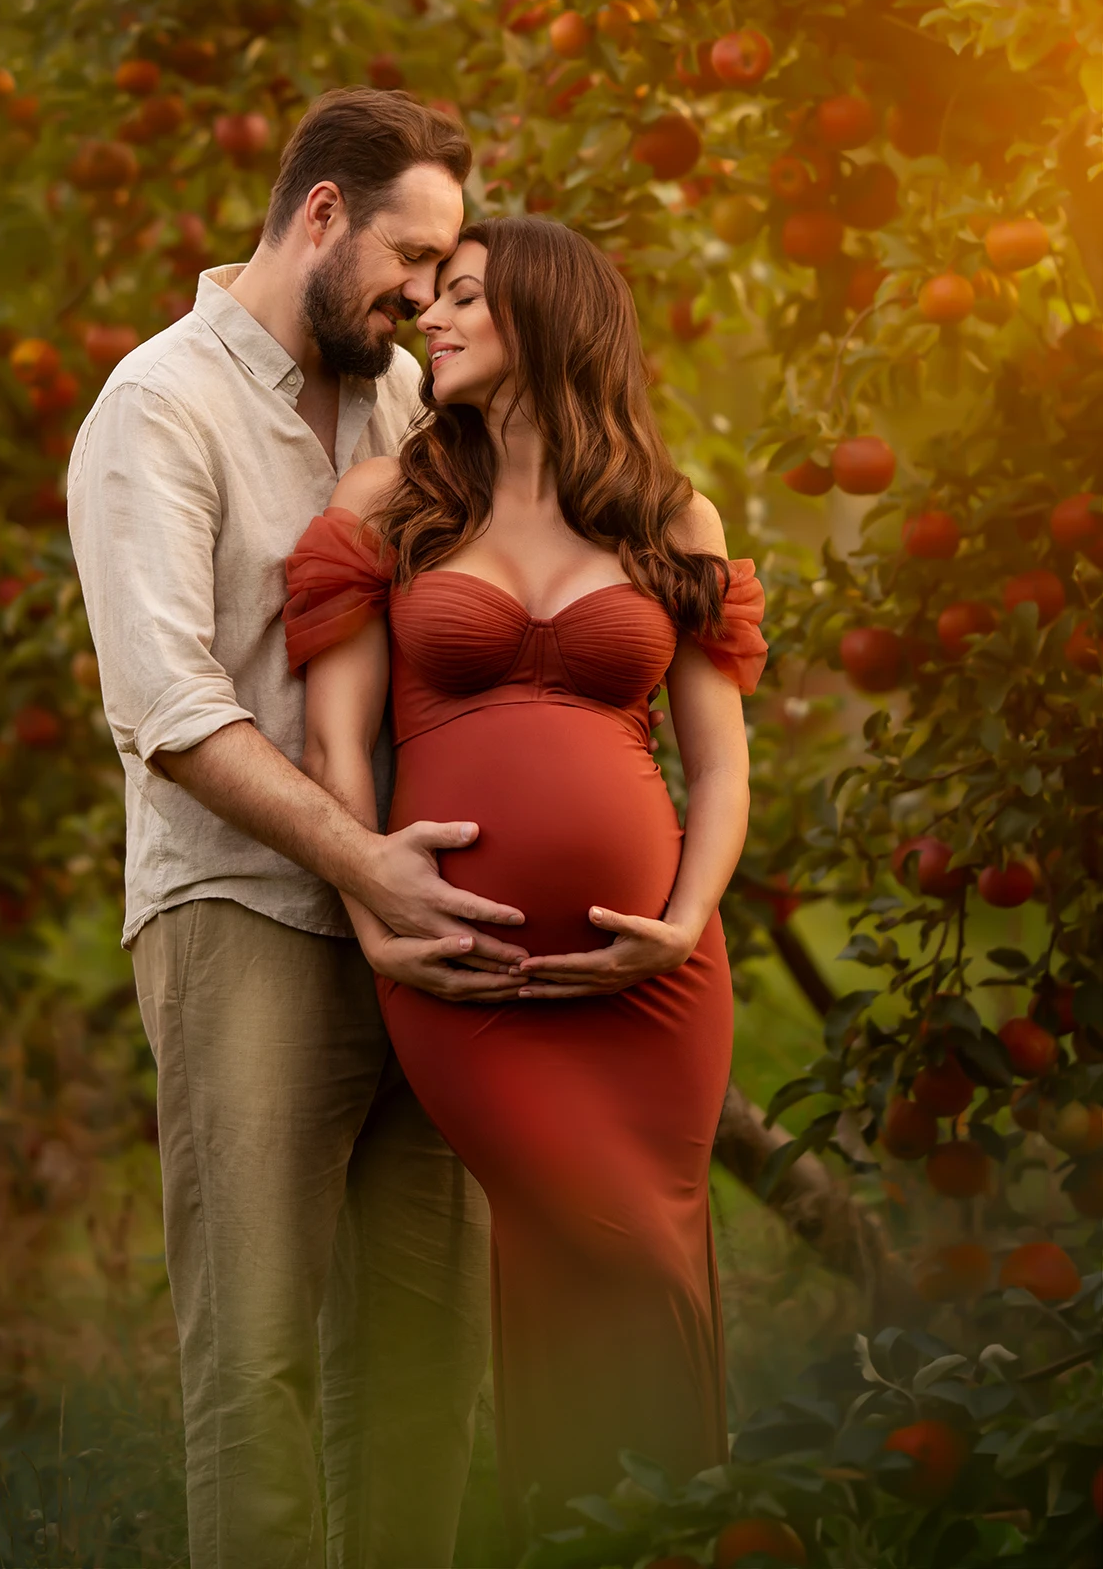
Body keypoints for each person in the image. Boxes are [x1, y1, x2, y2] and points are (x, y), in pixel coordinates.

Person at [68, 89, 538, 1569]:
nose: (424, 293)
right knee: (253, 1357)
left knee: (420, 1350)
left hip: (419, 925)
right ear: (320, 215)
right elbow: (167, 706)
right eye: (409, 256)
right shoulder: (159, 404)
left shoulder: (403, 398)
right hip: (248, 910)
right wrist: (360, 865)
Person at [285, 216, 767, 1544]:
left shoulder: (670, 517)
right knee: (602, 1242)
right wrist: (370, 912)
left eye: (464, 300)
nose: (428, 320)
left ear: (552, 319)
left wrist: (679, 928)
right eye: (428, 299)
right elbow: (334, 744)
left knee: (634, 1260)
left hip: (656, 992)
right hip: (464, 970)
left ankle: (641, 1540)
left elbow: (717, 769)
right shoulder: (391, 505)